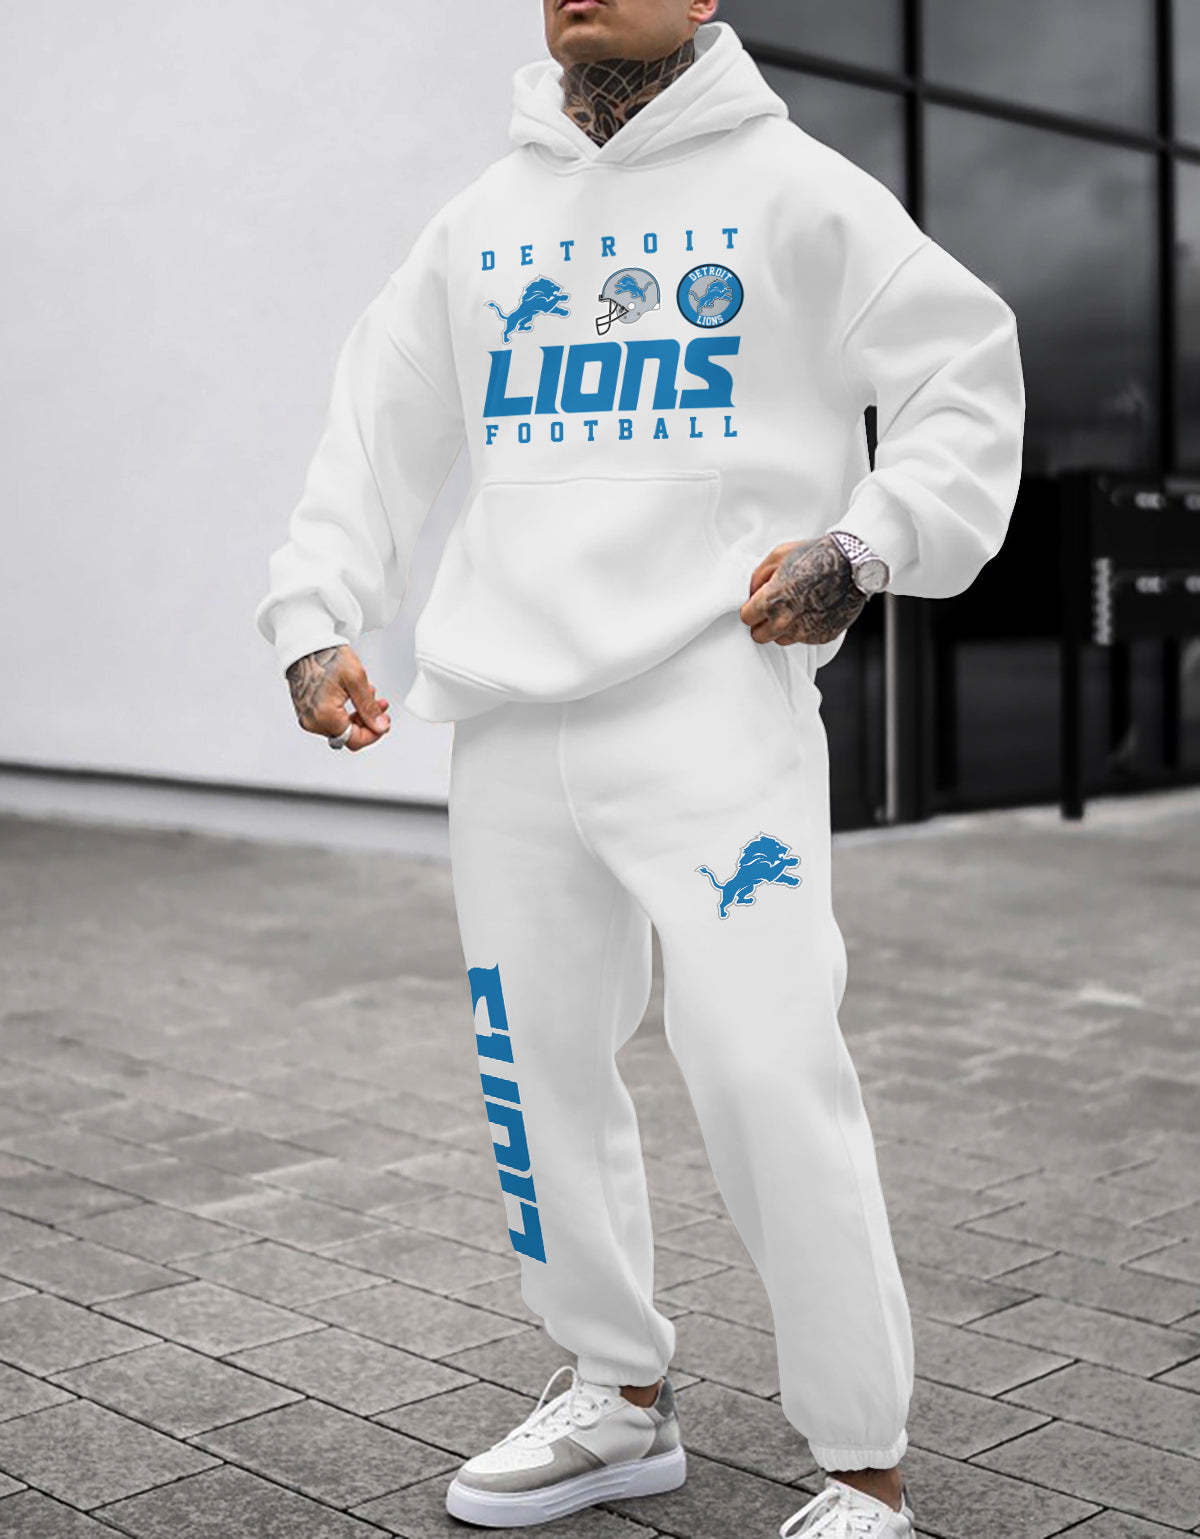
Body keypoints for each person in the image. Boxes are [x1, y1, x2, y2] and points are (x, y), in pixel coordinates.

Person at [255, 1, 1024, 1533]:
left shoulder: (796, 193)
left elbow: (967, 372)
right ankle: (616, 1393)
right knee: (533, 1067)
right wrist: (316, 615)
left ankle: (862, 1467)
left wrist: (868, 544)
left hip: (710, 700)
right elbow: (377, 425)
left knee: (763, 1066)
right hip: (509, 717)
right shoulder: (485, 218)